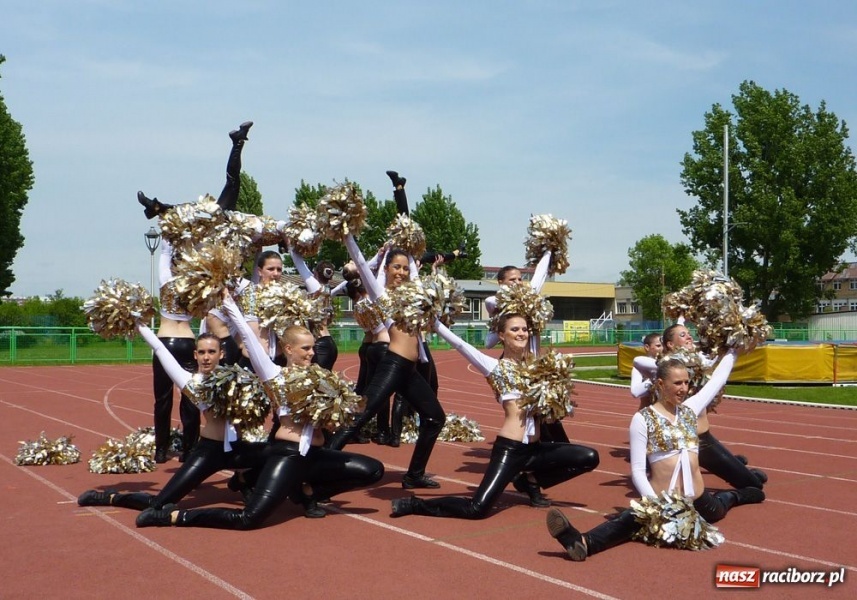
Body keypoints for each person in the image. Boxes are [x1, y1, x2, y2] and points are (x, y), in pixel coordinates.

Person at [135, 292, 384, 528]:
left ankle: (306, 490)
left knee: (373, 470)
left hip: (316, 456)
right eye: (306, 348)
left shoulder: (320, 378)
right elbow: (248, 338)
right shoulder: (275, 375)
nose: (312, 353)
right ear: (288, 349)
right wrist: (230, 304)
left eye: (312, 347)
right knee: (248, 519)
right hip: (289, 454)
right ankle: (176, 516)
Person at [546, 349, 765, 560]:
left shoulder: (690, 409)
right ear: (660, 384)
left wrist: (733, 349)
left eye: (687, 382)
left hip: (698, 499)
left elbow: (717, 380)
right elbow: (638, 471)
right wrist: (654, 505)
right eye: (677, 383)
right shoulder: (643, 419)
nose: (684, 388)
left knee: (720, 507)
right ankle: (583, 542)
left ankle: (741, 494)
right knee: (629, 520)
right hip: (661, 500)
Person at [390, 314, 599, 519]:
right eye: (514, 329)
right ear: (501, 335)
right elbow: (461, 345)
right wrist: (434, 322)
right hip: (511, 450)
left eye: (525, 329)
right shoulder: (495, 367)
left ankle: (531, 479)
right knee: (476, 509)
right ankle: (415, 504)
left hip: (535, 450)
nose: (521, 333)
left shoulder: (535, 367)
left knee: (589, 458)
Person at [77, 329, 267, 511]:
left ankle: (244, 479)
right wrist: (137, 323)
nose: (206, 357)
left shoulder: (238, 378)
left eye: (211, 351)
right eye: (201, 352)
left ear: (222, 353)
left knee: (279, 454)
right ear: (195, 355)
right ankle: (109, 497)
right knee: (160, 502)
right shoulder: (192, 382)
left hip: (238, 449)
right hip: (209, 451)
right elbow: (160, 349)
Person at [328, 242, 446, 490]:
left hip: (409, 369)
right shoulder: (380, 293)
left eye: (405, 268)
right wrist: (348, 237)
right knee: (361, 415)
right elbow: (361, 263)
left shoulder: (412, 294)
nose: (401, 272)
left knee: (435, 418)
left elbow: (418, 275)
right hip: (393, 363)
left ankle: (414, 475)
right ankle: (317, 466)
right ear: (387, 269)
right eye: (396, 267)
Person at [634, 323, 767, 489]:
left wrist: (733, 347)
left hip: (703, 440)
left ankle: (740, 473)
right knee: (677, 489)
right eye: (682, 335)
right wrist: (670, 362)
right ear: (670, 344)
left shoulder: (699, 362)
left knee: (754, 485)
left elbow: (718, 370)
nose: (689, 337)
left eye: (689, 334)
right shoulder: (664, 369)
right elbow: (637, 361)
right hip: (678, 443)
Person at [629, 333, 662, 410]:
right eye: (658, 346)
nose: (662, 348)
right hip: (647, 413)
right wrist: (653, 378)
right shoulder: (639, 368)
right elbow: (635, 392)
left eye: (663, 345)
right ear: (647, 347)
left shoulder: (669, 365)